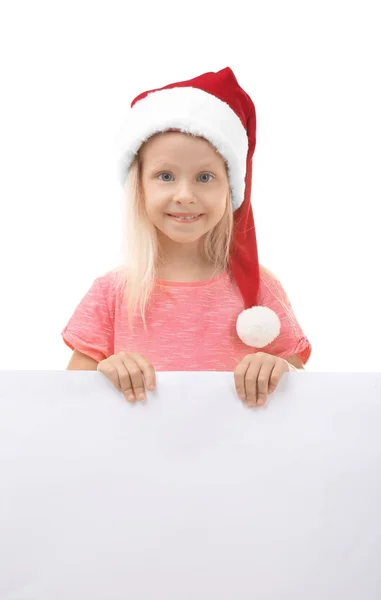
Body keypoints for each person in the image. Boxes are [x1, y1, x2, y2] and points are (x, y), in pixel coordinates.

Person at [62, 67, 311, 409]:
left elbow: (309, 399)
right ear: (140, 187)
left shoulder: (261, 292)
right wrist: (104, 373)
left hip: (240, 459)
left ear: (231, 189)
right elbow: (66, 404)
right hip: (132, 461)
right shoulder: (110, 294)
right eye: (165, 175)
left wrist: (279, 368)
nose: (184, 195)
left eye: (205, 177)